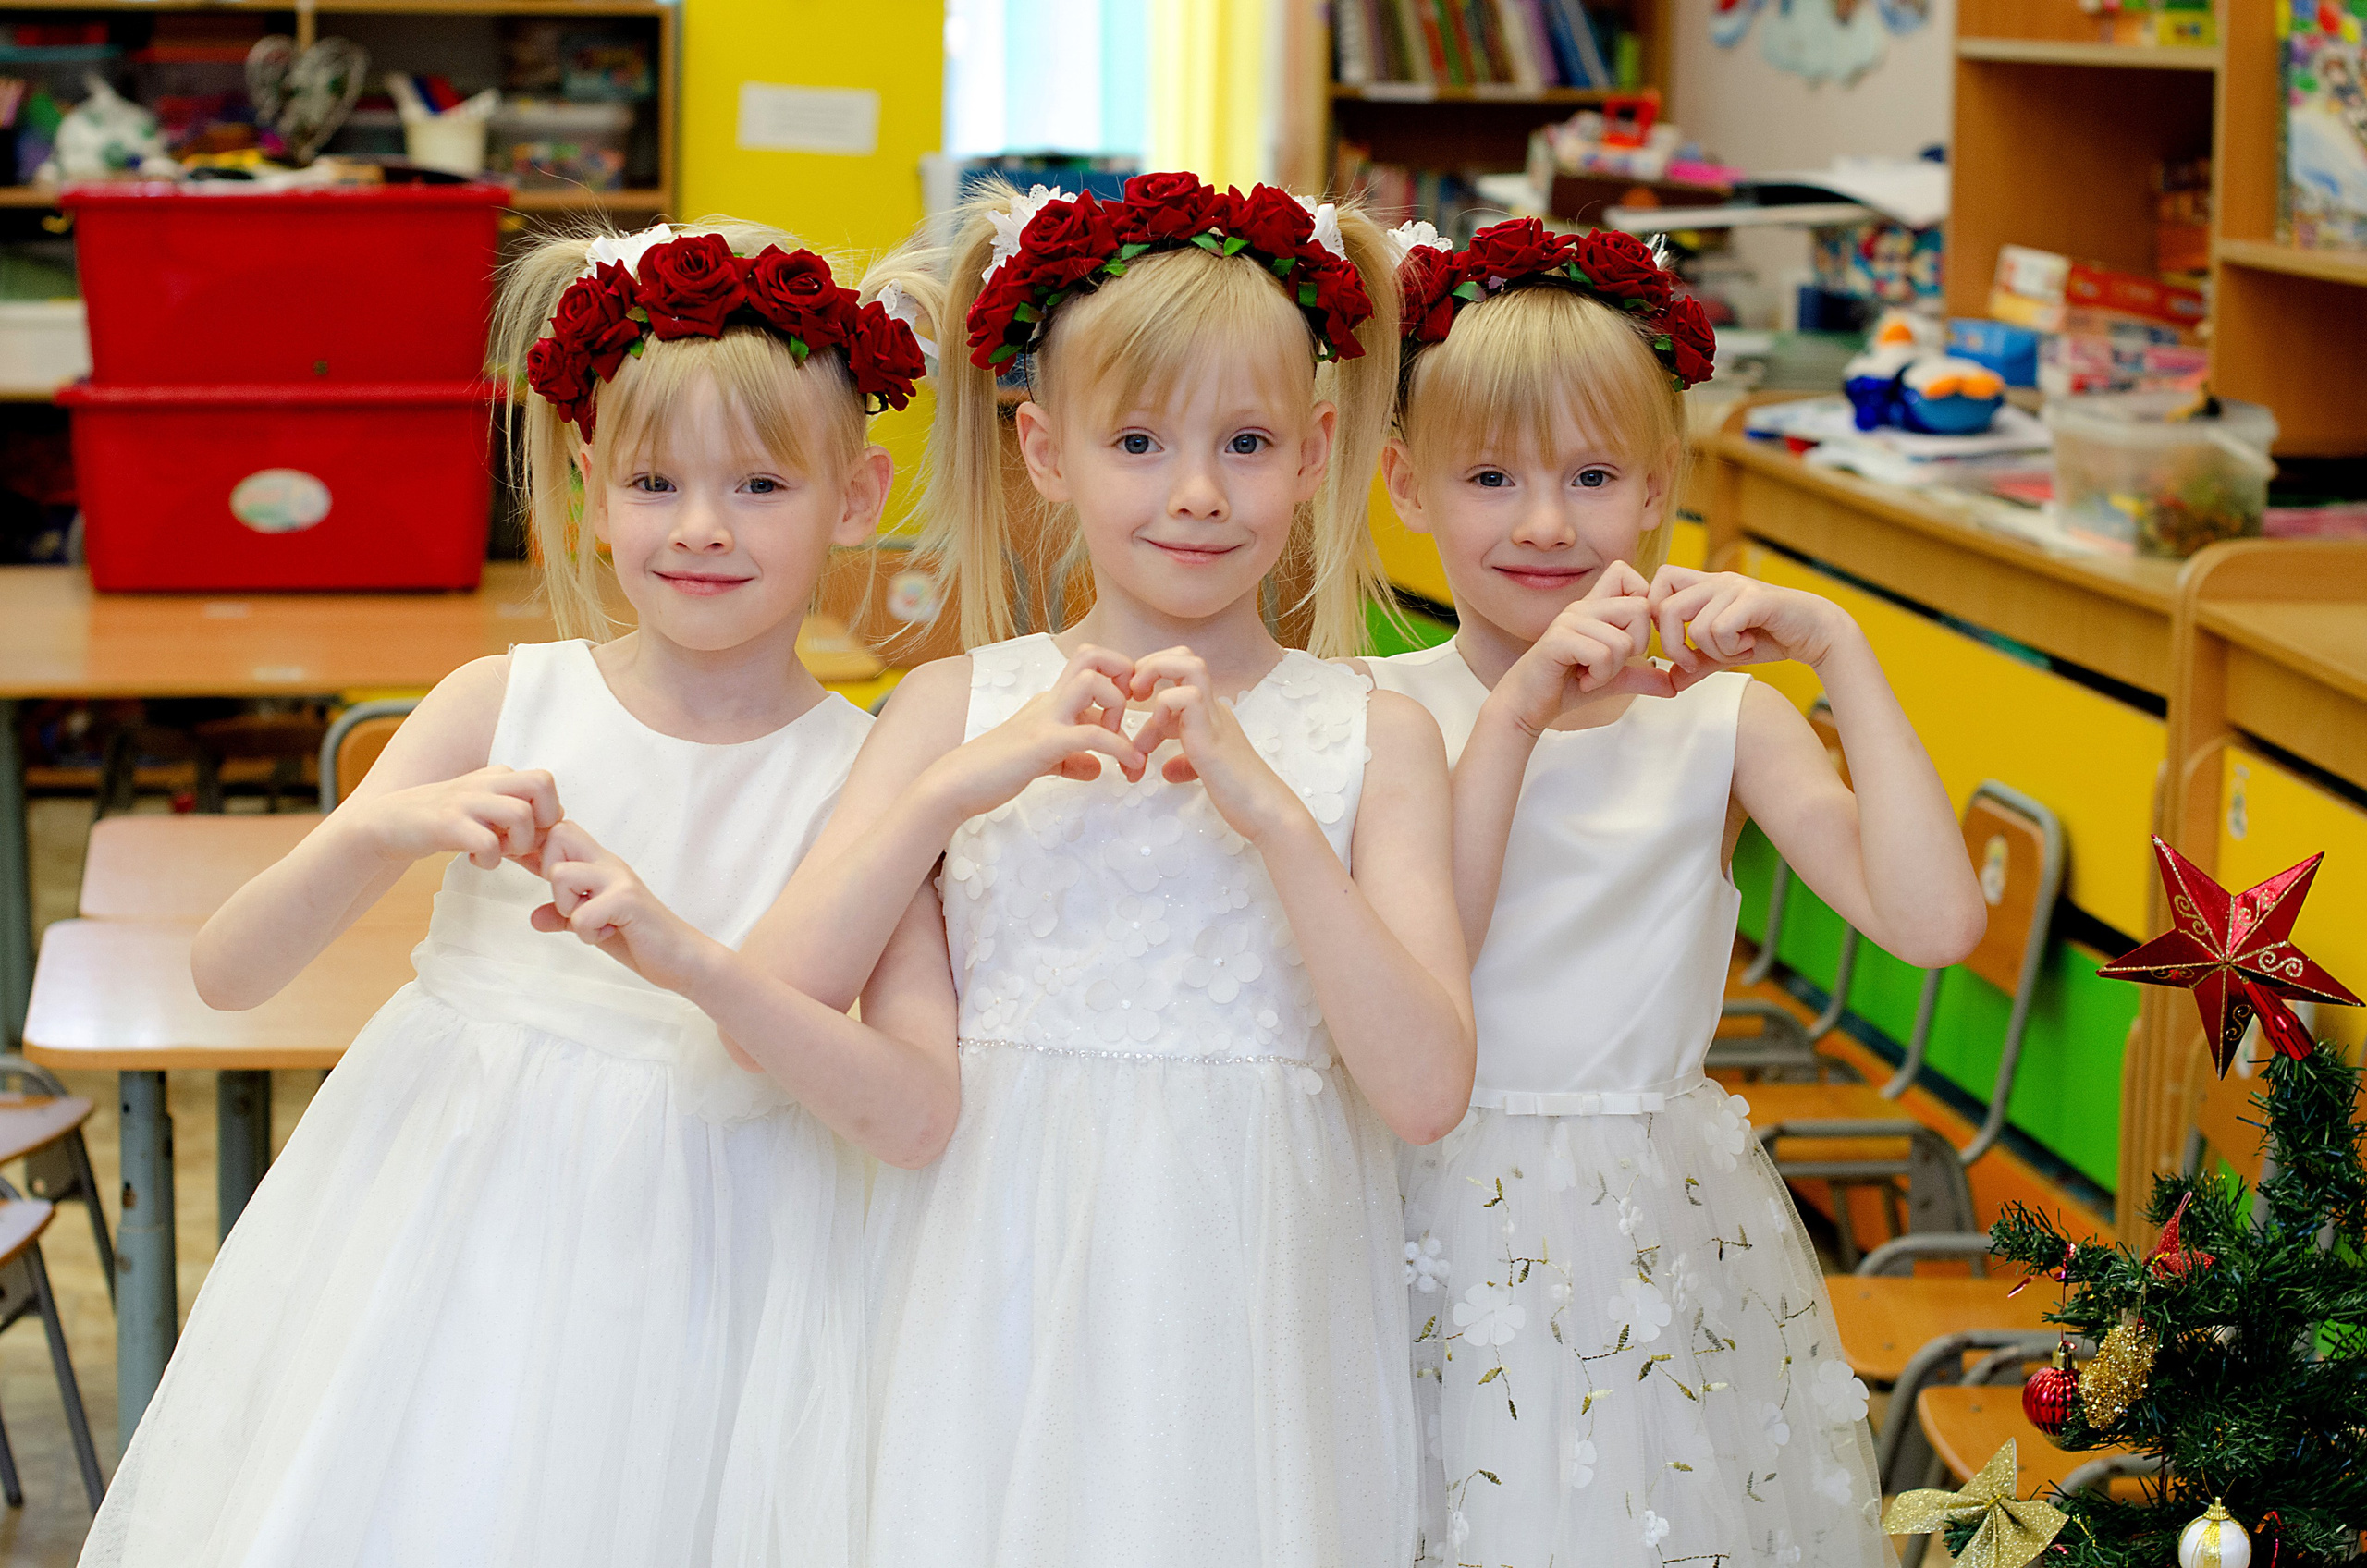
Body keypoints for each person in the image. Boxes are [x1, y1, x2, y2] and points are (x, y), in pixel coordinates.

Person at [80, 219, 945, 1568]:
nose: (702, 528)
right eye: (656, 481)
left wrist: (695, 958)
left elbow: (910, 1107)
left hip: (742, 1266)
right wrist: (385, 831)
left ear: (855, 496)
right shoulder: (499, 701)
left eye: (761, 485)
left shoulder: (874, 768)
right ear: (593, 486)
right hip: (454, 1235)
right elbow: (228, 972)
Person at [744, 174, 1475, 1567]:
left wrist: (1274, 818)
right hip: (981, 1271)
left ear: (1317, 451)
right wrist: (957, 782)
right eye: (1138, 441)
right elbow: (777, 995)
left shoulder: (1378, 736)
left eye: (1247, 443)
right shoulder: (948, 709)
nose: (1196, 493)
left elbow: (1427, 1088)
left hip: (1251, 1302)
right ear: (1043, 450)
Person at [1371, 217, 1985, 1568]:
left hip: (1654, 1235)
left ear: (1659, 487)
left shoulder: (1723, 725)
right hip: (1410, 1215)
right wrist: (1520, 713)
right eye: (1489, 476)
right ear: (1404, 486)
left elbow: (1936, 924)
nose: (1544, 523)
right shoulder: (1377, 713)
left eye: (1593, 475)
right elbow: (1428, 957)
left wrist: (1841, 649)